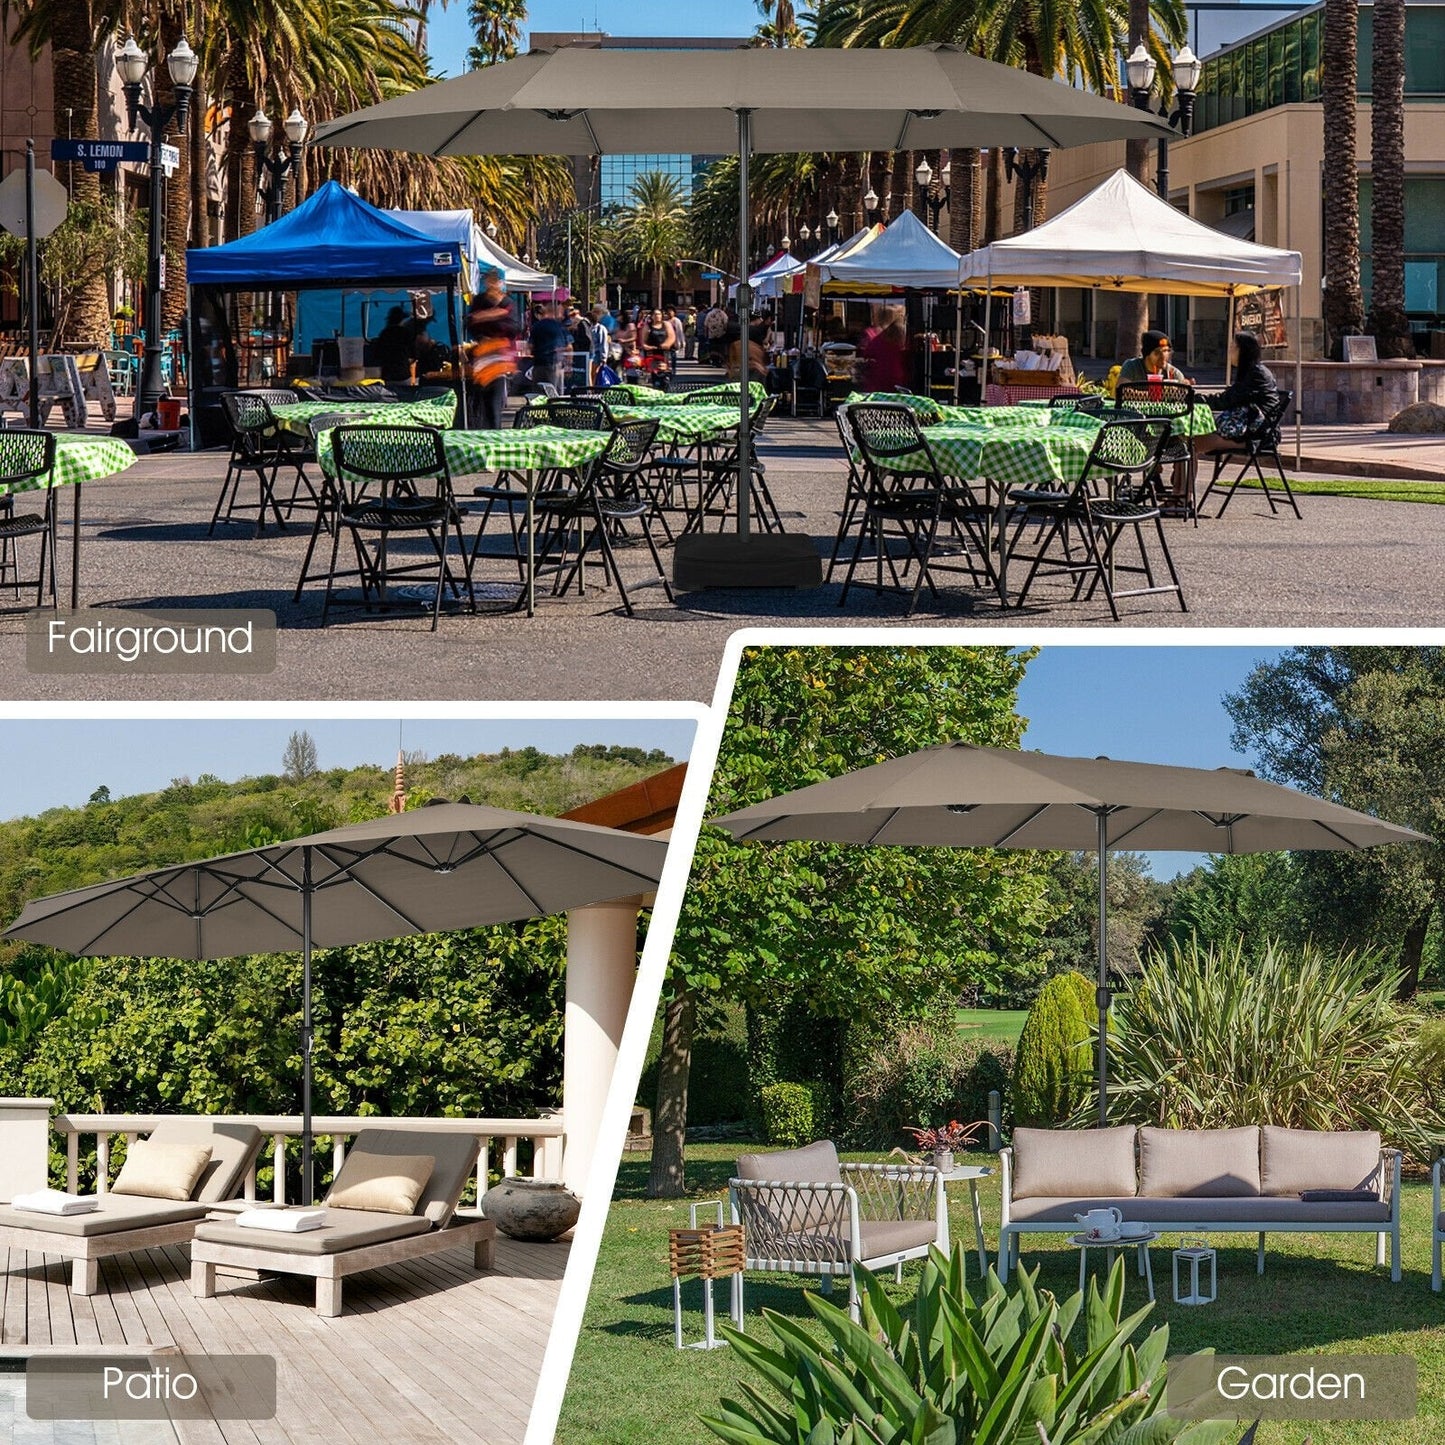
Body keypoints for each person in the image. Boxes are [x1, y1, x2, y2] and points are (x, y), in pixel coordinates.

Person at [1197, 330, 1280, 455]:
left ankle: (1176, 475)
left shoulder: (1256, 374)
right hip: (1247, 428)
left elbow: (1226, 401)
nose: (1229, 352)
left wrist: (1194, 398)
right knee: (1193, 437)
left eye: (1232, 347)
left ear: (1243, 351)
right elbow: (1230, 398)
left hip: (1259, 434)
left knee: (1194, 441)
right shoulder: (1251, 371)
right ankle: (1179, 475)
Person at [465, 274, 518, 429]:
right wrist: (492, 315)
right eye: (489, 282)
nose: (492, 286)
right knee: (479, 408)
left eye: (495, 282)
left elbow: (514, 328)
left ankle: (494, 436)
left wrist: (486, 317)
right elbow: (470, 322)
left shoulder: (508, 303)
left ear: (500, 284)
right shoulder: (480, 301)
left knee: (494, 408)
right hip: (481, 360)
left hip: (499, 362)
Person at [1117, 329, 1192, 387]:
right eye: (1157, 352)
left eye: (1166, 351)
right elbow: (1121, 391)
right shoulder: (1132, 367)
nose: (1163, 356)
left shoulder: (1173, 374)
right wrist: (1160, 394)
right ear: (1147, 354)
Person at [860, 305, 908, 392]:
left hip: (878, 374)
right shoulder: (902, 334)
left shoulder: (874, 334)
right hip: (898, 373)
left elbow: (866, 353)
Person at [528, 302, 571, 394]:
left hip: (539, 364)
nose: (563, 316)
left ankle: (539, 408)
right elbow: (569, 347)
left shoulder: (536, 326)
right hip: (555, 364)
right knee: (554, 394)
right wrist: (568, 365)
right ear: (556, 313)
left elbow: (530, 346)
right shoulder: (560, 327)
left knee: (538, 394)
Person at [373, 305, 416, 387]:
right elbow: (413, 354)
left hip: (388, 374)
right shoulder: (406, 333)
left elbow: (377, 354)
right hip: (403, 374)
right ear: (402, 320)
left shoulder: (384, 333)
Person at [588, 304, 611, 383]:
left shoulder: (588, 326)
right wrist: (604, 358)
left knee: (590, 376)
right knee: (595, 376)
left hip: (589, 355)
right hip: (597, 356)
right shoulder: (600, 328)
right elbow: (603, 344)